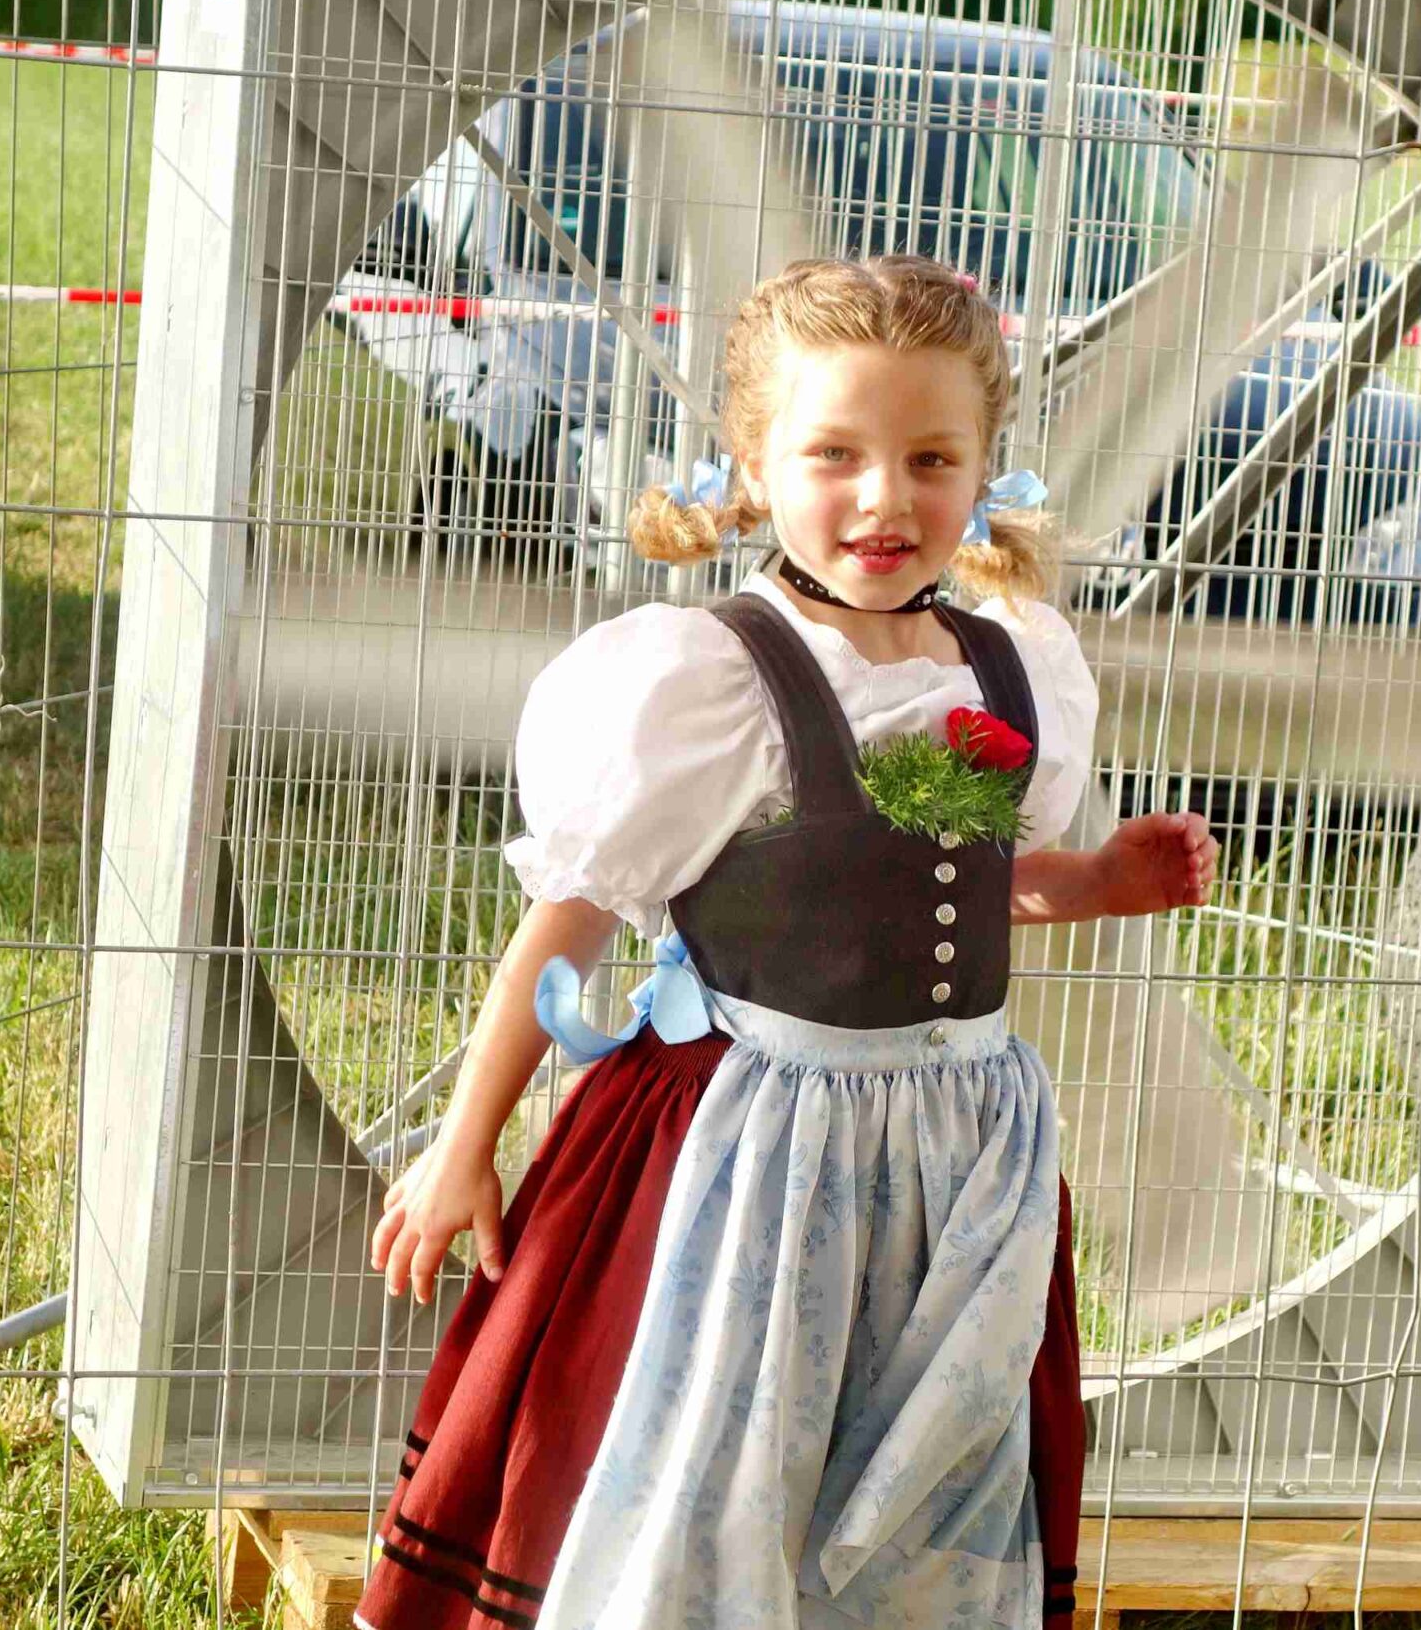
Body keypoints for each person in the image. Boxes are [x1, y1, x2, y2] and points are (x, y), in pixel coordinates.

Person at [355, 253, 1218, 1630]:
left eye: (932, 458)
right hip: (751, 1153)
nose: (888, 498)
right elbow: (567, 923)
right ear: (753, 467)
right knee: (727, 1452)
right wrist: (466, 1142)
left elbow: (947, 882)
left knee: (922, 1463)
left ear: (986, 470)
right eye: (837, 454)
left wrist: (1099, 880)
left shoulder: (1008, 662)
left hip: (955, 1160)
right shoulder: (708, 681)